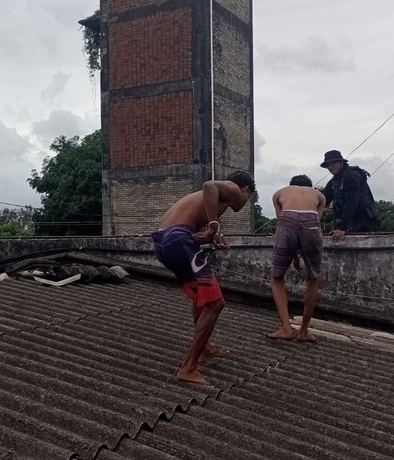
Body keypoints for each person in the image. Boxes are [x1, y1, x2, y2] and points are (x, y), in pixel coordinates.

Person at [152, 170, 255, 385]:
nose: (245, 204)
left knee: (202, 296)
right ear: (245, 189)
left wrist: (213, 236)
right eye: (250, 198)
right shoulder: (233, 188)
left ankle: (204, 348)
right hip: (176, 239)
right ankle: (188, 368)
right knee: (216, 303)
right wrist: (214, 226)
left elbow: (194, 232)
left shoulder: (207, 203)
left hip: (165, 242)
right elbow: (210, 185)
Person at [266, 175, 326, 342]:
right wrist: (298, 256)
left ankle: (286, 327)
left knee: (277, 277)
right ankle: (304, 331)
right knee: (313, 277)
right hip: (312, 221)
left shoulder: (279, 193)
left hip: (287, 220)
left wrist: (294, 256)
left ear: (290, 186)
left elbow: (285, 224)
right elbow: (313, 223)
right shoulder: (319, 196)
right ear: (310, 186)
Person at [320, 150, 380, 240]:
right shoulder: (334, 181)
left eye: (334, 163)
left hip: (364, 220)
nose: (331, 167)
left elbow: (352, 202)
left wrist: (342, 228)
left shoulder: (353, 175)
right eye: (328, 165)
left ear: (341, 162)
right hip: (351, 221)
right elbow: (323, 199)